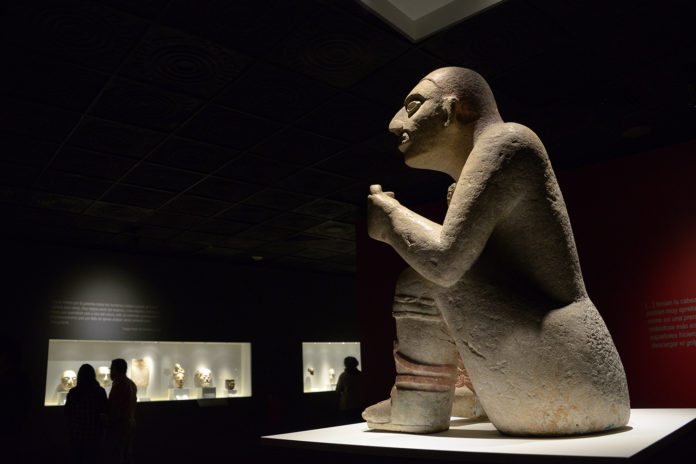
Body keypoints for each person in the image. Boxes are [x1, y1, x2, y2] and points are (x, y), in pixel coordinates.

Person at [362, 67, 630, 436]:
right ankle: (467, 394)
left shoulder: (507, 142)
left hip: (562, 372)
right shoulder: (484, 164)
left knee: (419, 279)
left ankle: (418, 405)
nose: (396, 124)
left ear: (458, 110)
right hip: (579, 375)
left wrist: (391, 219)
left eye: (413, 106)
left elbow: (443, 263)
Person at [65, 364, 108, 464]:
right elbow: (104, 411)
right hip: (94, 435)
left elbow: (67, 412)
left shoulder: (73, 392)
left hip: (77, 434)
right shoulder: (100, 392)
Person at [105, 358, 137, 464]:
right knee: (127, 453)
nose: (110, 372)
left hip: (119, 425)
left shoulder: (119, 385)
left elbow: (116, 408)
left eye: (111, 369)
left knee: (119, 454)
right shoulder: (131, 383)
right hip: (128, 424)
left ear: (116, 370)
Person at [335, 356, 365, 423]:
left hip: (347, 405)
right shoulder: (361, 375)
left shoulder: (343, 376)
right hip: (359, 404)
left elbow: (338, 390)